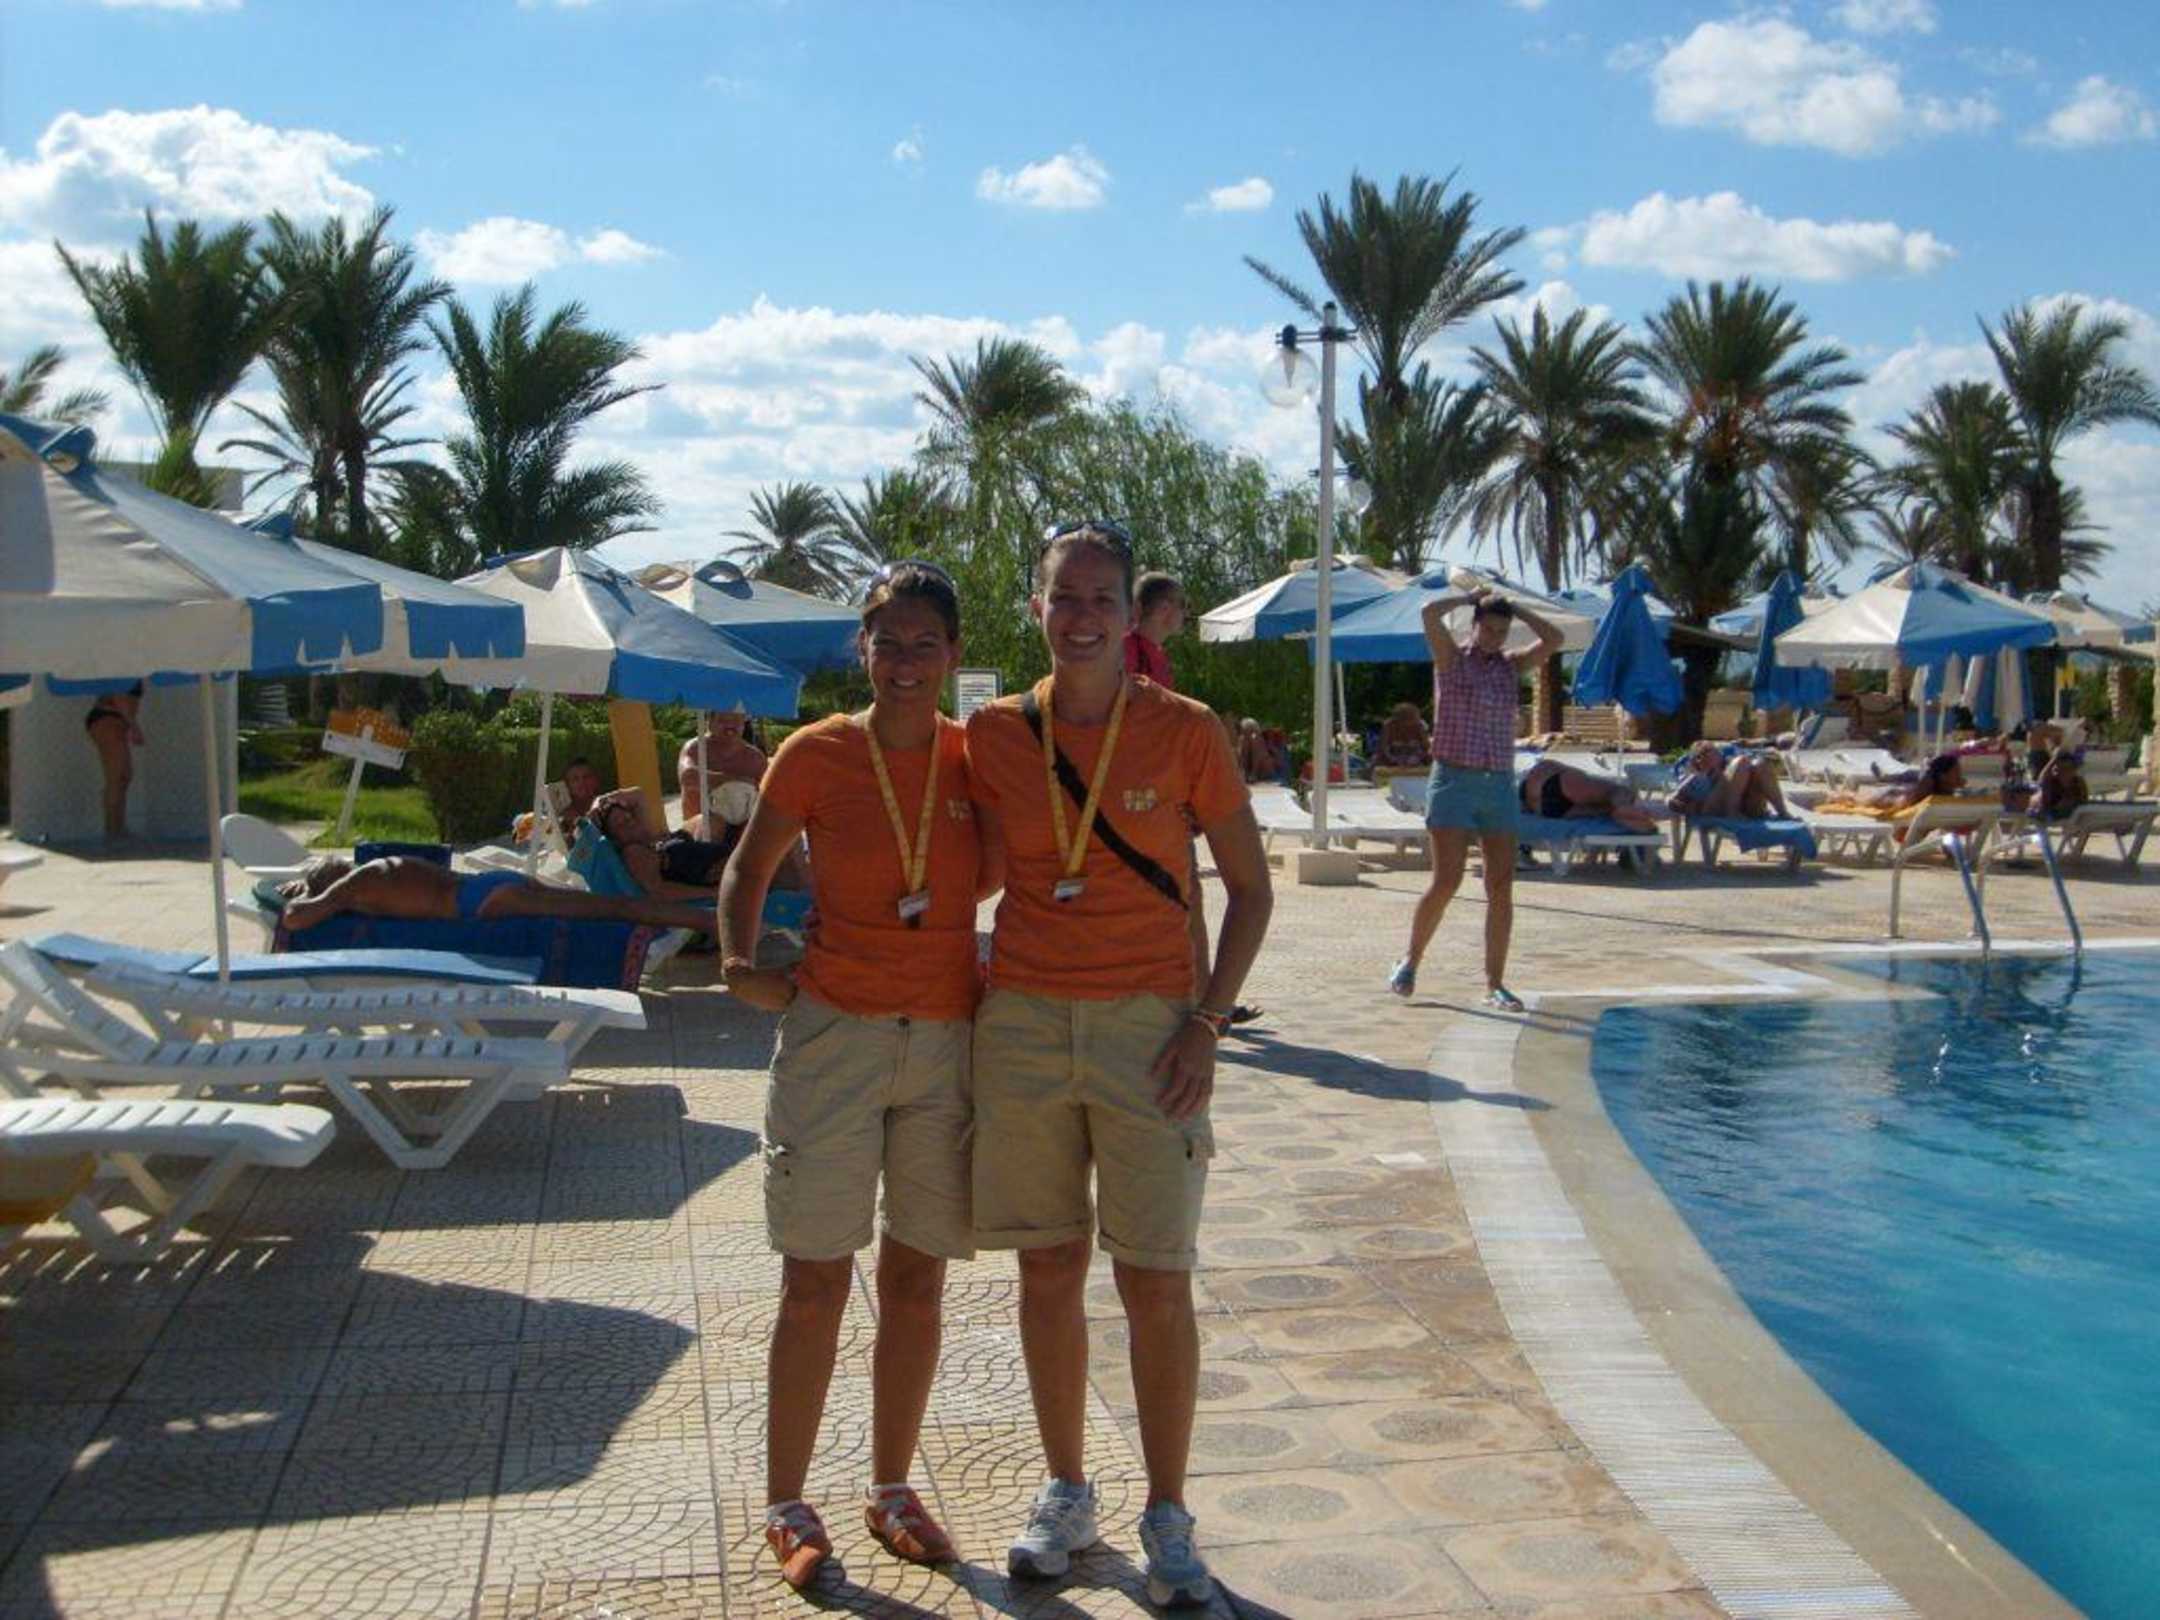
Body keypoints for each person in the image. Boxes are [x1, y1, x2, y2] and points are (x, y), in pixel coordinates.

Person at [966, 520, 1272, 1609]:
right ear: (1037, 608)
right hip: (1024, 1028)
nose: (1083, 616)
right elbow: (959, 863)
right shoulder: (993, 734)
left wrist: (1207, 1024)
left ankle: (1169, 1513)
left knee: (1154, 1278)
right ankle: (1066, 1491)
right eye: (1065, 596)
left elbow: (1251, 890)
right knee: (1047, 1267)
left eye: (1103, 598)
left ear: (1130, 613)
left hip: (1151, 1031)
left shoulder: (1186, 730)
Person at [716, 562, 991, 1592]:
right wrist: (739, 965)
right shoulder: (818, 752)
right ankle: (787, 1502)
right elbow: (749, 865)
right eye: (888, 643)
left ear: (952, 654)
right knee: (815, 1281)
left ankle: (890, 1488)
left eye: (925, 644)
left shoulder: (975, 758)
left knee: (917, 1281)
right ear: (862, 650)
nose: (906, 662)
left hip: (945, 1043)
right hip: (835, 1039)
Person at [1389, 591, 1562, 1013]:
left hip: (1497, 783)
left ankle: (1495, 982)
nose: (1495, 638)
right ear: (1475, 625)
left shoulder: (1511, 666)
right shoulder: (1451, 659)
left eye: (1502, 631)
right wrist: (1469, 596)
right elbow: (1429, 613)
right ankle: (1411, 960)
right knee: (1446, 881)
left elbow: (1554, 638)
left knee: (1501, 885)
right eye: (1488, 629)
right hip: (1454, 779)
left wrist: (1516, 608)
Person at [1122, 568, 1259, 1031]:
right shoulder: (1132, 656)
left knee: (1190, 900)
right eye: (1182, 606)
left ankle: (1205, 998)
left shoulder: (1147, 655)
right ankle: (1203, 1002)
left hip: (1160, 798)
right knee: (1185, 900)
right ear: (1164, 609)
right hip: (1147, 803)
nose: (1184, 614)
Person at [277, 853, 713, 934]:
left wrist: (301, 891)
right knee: (612, 907)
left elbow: (296, 918)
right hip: (488, 884)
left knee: (614, 909)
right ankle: (708, 918)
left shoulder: (352, 887)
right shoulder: (380, 865)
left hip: (481, 902)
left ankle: (709, 921)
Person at [679, 707, 768, 833]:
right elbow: (687, 777)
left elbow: (770, 795)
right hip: (700, 826)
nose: (730, 725)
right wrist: (734, 781)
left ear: (744, 723)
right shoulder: (695, 748)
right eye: (723, 720)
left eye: (736, 720)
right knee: (712, 823)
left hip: (744, 827)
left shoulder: (755, 758)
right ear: (710, 722)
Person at [1517, 758, 1661, 833]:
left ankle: (1624, 808)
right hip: (1553, 790)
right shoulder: (1570, 777)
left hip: (1542, 807)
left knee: (1607, 807)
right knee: (1617, 791)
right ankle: (1624, 806)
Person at [1667, 743, 1792, 822]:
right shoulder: (1695, 777)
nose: (1712, 754)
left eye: (1712, 750)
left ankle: (1783, 812)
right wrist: (1695, 807)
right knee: (1742, 761)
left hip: (1748, 808)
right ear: (1698, 759)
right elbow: (1671, 800)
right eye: (1705, 752)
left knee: (1760, 764)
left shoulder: (1729, 768)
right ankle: (1731, 812)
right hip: (1717, 808)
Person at [83, 682, 145, 842]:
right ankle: (112, 829)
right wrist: (134, 726)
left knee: (124, 776)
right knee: (115, 778)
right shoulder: (124, 673)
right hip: (108, 718)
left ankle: (118, 826)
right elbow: (118, 696)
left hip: (117, 721)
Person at [1376, 702, 1431, 769]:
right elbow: (1383, 748)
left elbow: (1426, 747)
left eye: (1416, 719)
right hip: (1392, 757)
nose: (1416, 721)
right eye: (1411, 719)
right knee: (1377, 761)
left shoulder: (1419, 726)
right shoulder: (1389, 726)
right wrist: (1392, 760)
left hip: (1414, 757)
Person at [1235, 718, 1282, 784]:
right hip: (1254, 772)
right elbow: (1242, 757)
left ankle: (1252, 775)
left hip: (1264, 773)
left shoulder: (1255, 738)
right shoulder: (1243, 739)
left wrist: (1253, 774)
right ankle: (1249, 774)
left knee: (1255, 742)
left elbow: (1257, 757)